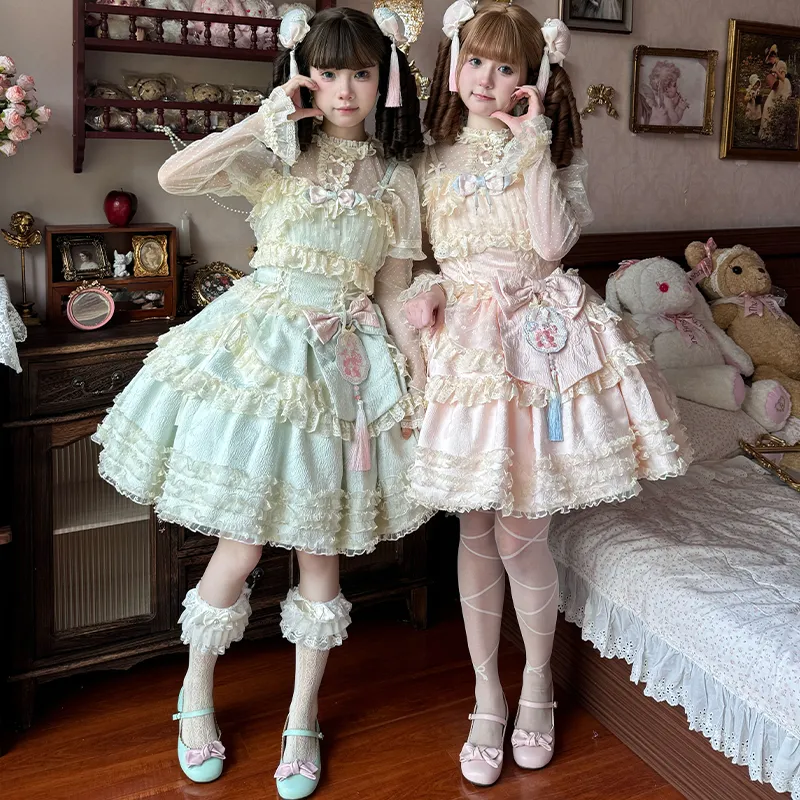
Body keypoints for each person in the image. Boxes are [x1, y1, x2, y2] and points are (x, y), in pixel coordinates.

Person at [93, 7, 430, 796]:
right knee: (240, 546)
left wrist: (416, 382)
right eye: (328, 72)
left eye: (361, 73)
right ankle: (194, 695)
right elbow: (175, 177)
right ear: (302, 74)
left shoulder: (399, 178)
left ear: (384, 80)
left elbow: (394, 290)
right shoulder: (278, 149)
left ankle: (302, 719)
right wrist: (264, 118)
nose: (343, 90)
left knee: (320, 553)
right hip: (262, 355)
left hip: (346, 366)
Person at [401, 2, 690, 787]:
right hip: (466, 352)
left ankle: (536, 686)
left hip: (541, 347)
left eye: (506, 67)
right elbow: (422, 257)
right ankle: (485, 695)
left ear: (531, 76)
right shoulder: (428, 156)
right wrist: (427, 292)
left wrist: (532, 145)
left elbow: (554, 244)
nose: (486, 79)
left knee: (522, 534)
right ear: (453, 63)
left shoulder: (549, 150)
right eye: (476, 61)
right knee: (474, 527)